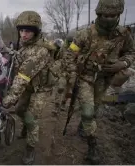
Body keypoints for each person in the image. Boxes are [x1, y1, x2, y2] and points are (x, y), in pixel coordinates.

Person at [65, 0, 135, 164]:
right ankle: (93, 149)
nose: (109, 19)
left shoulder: (123, 35)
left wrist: (123, 63)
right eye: (105, 15)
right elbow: (69, 55)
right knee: (89, 112)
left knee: (94, 110)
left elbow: (131, 53)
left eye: (113, 16)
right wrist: (73, 74)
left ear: (119, 15)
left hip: (104, 80)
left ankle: (84, 126)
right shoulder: (85, 34)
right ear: (99, 14)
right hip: (85, 79)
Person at [2, 11, 56, 164]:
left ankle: (30, 149)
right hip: (29, 87)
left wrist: (9, 99)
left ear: (36, 32)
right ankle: (26, 126)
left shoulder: (40, 51)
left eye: (28, 31)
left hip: (41, 89)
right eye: (21, 30)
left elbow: (23, 77)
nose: (23, 34)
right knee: (19, 110)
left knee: (31, 119)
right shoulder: (25, 47)